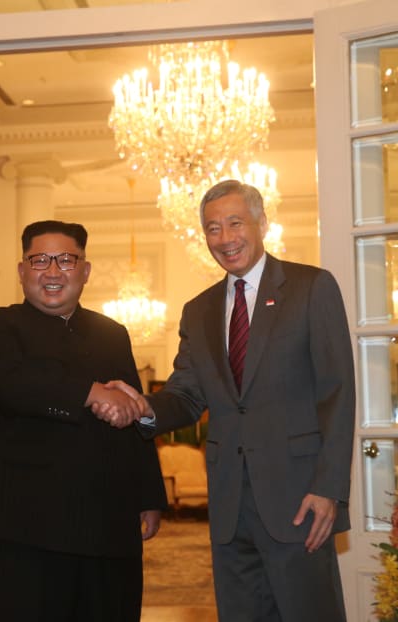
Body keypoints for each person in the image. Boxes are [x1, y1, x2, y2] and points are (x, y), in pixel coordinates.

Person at [96, 180, 355, 622]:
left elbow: (337, 392)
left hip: (299, 499)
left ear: (262, 224)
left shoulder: (312, 287)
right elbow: (187, 395)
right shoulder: (197, 310)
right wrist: (143, 406)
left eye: (235, 223)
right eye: (213, 228)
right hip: (230, 505)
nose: (225, 238)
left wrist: (328, 488)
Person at [0, 219, 167, 622]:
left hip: (110, 522)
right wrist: (92, 393)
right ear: (22, 270)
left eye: (66, 260)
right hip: (30, 523)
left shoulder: (113, 333)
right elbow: (12, 384)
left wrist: (149, 495)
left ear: (85, 271)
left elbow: (132, 412)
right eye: (40, 260)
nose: (53, 271)